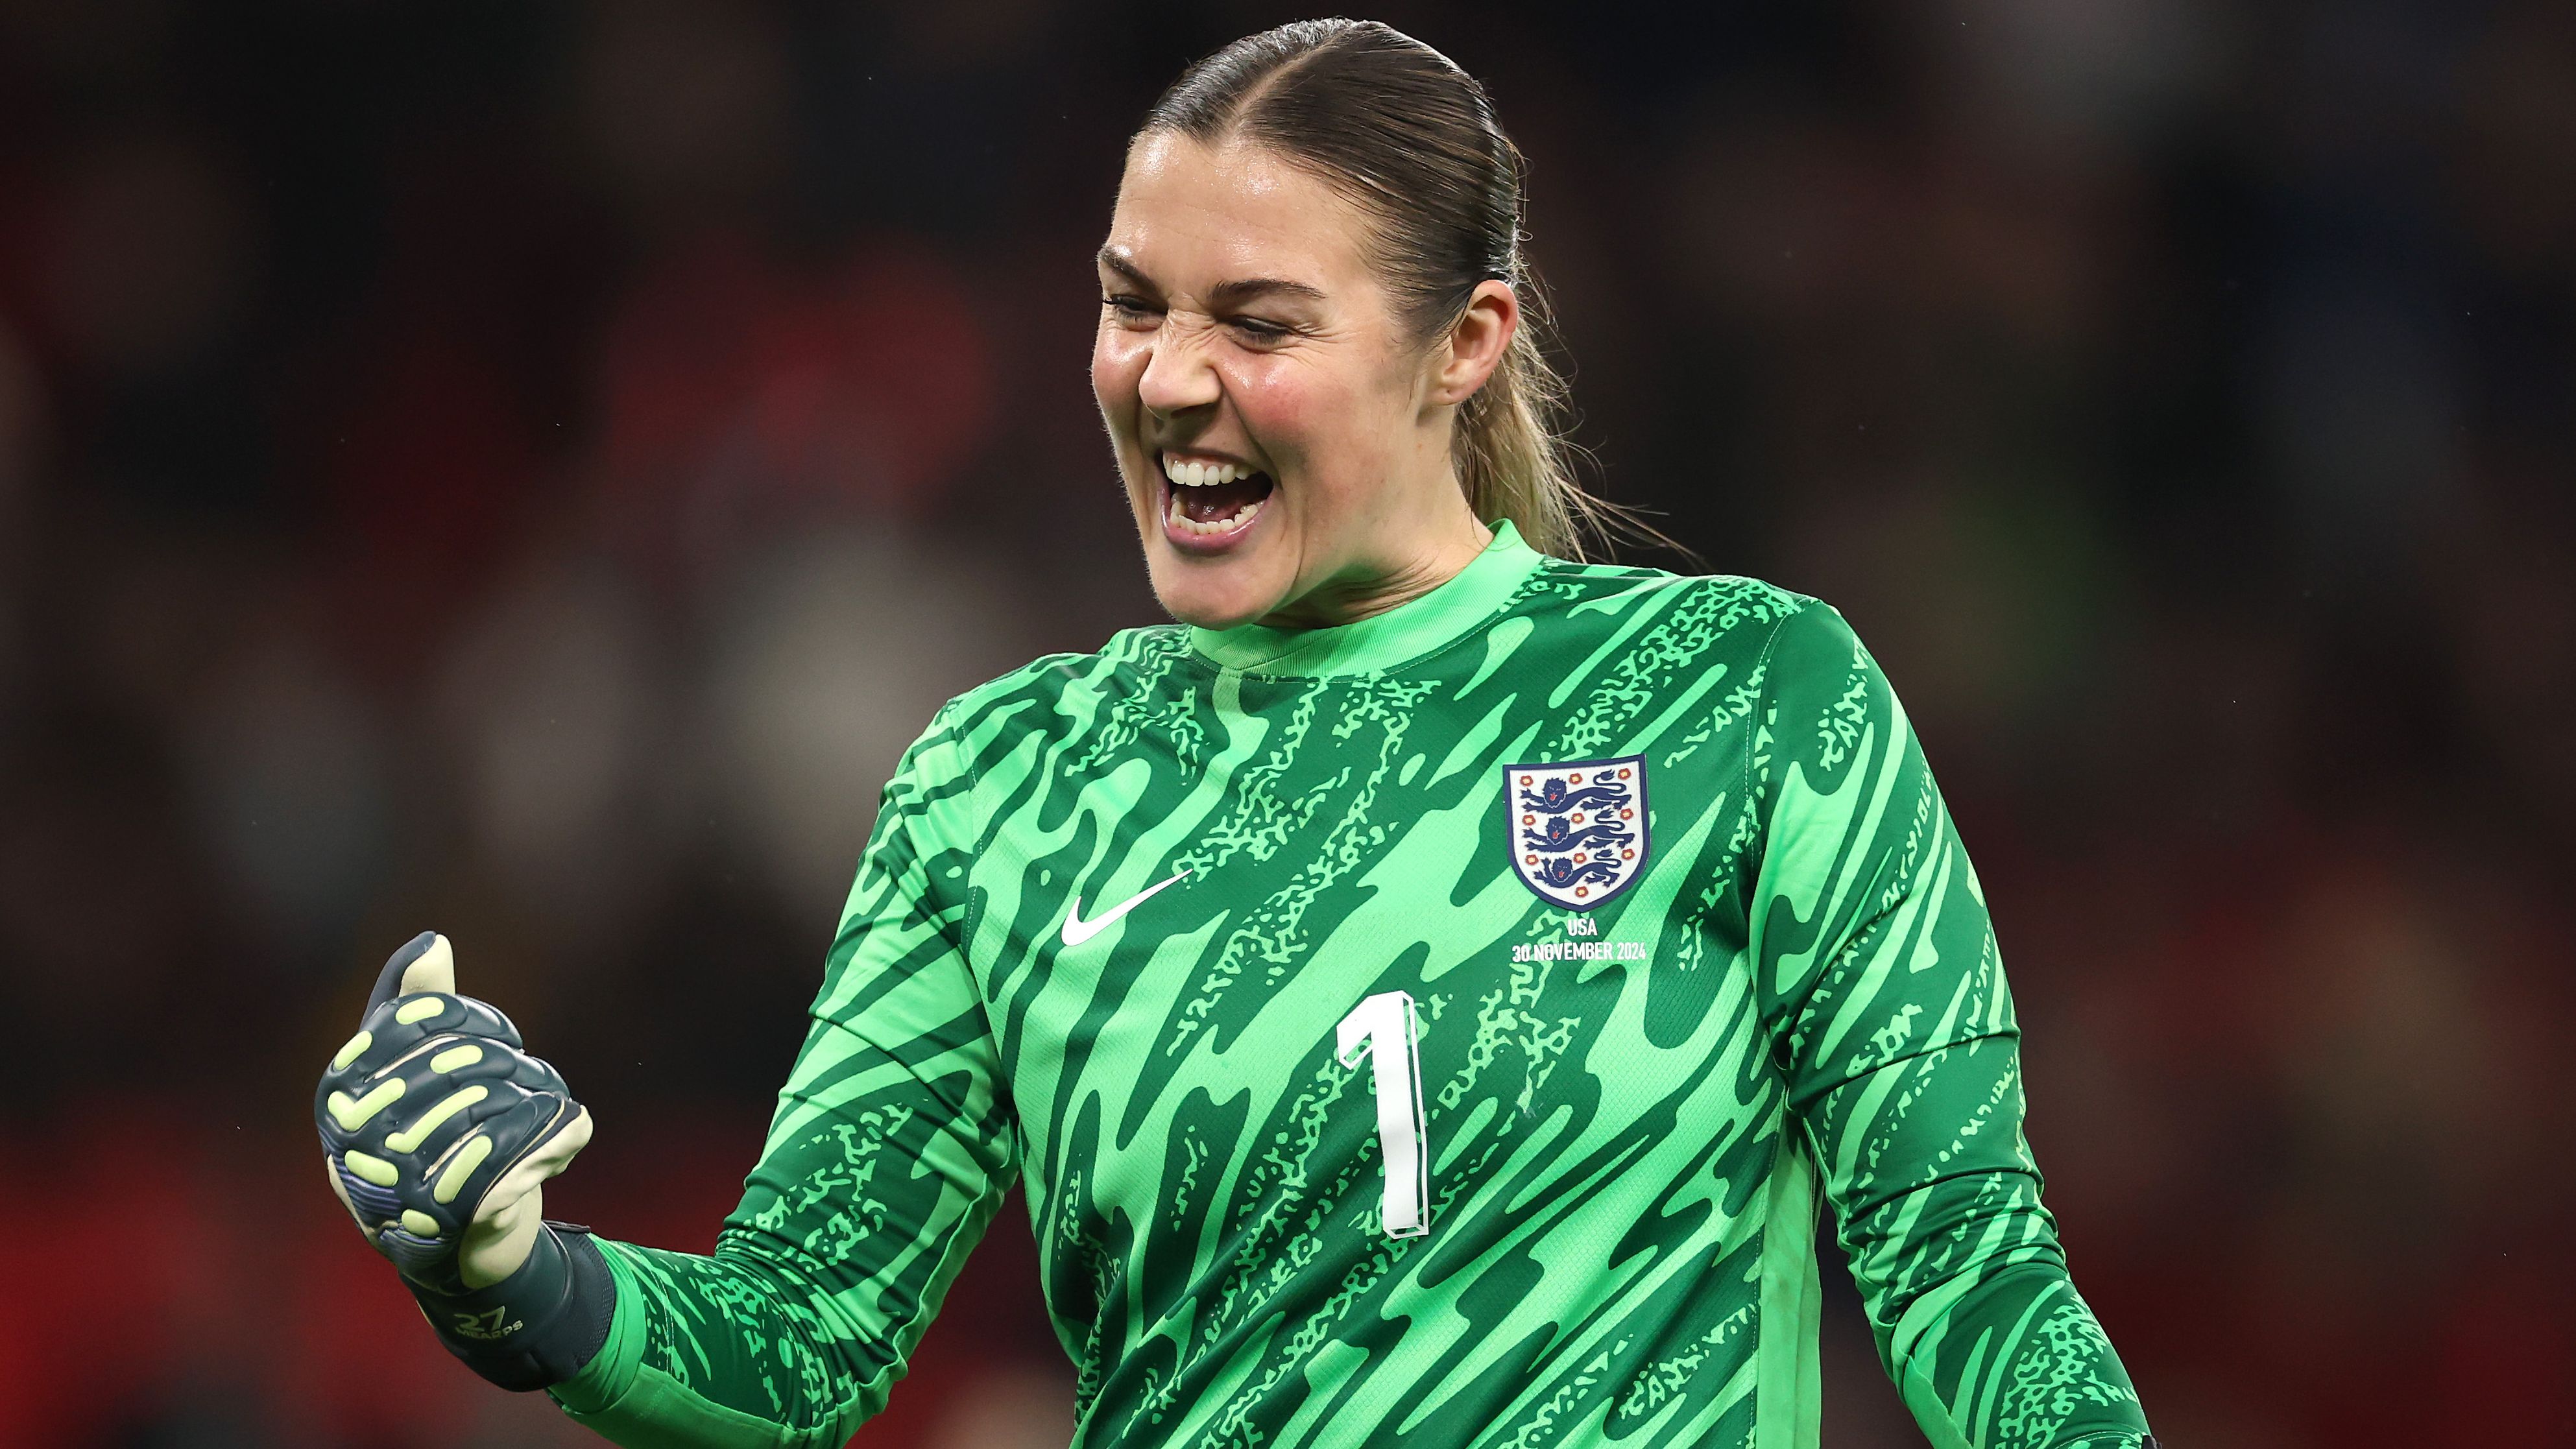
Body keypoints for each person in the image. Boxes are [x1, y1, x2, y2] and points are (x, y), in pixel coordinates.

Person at [315, 19, 2158, 1448]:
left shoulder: (1744, 698)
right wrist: (514, 1276)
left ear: (1464, 344)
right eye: (1133, 305)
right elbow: (797, 1341)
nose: (1169, 378)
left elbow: (1964, 1265)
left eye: (1256, 322)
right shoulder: (1007, 783)